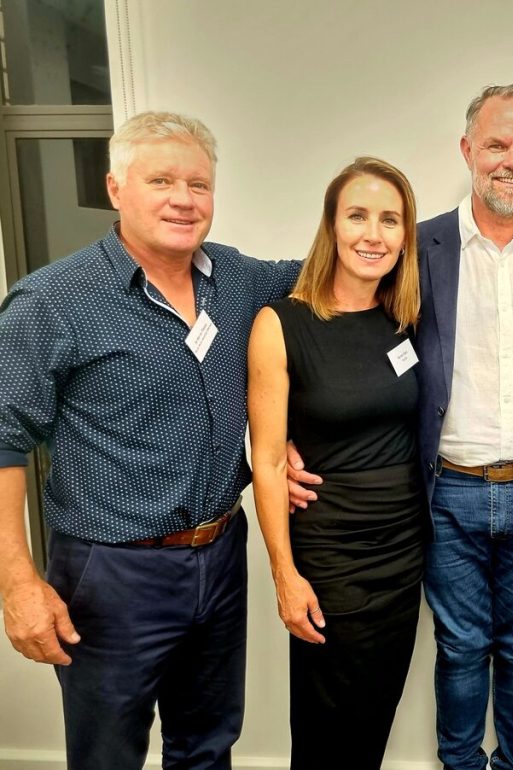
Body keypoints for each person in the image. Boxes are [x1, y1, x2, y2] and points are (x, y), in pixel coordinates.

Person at [287, 84, 513, 769]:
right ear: (468, 149)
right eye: (497, 144)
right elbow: (321, 291)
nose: (512, 161)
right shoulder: (417, 244)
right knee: (460, 649)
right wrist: (284, 432)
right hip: (445, 494)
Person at [0, 111, 301, 768]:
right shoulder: (52, 301)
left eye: (199, 184)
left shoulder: (239, 280)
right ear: (116, 188)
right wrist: (16, 581)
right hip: (111, 572)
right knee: (109, 755)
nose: (184, 199)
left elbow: (334, 278)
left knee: (208, 745)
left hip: (220, 554)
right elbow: (1, 440)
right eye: (161, 179)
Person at [248, 156, 424, 770]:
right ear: (332, 225)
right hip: (332, 558)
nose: (373, 235)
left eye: (390, 221)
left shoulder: (401, 321)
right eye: (357, 216)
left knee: (374, 718)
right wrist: (285, 576)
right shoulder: (282, 324)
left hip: (403, 557)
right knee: (329, 729)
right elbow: (267, 462)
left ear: (405, 237)